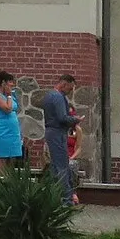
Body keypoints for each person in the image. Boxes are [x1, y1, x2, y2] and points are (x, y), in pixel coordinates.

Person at [41, 73, 81, 205]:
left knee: (54, 166)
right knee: (62, 165)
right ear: (64, 84)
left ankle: (53, 195)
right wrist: (75, 120)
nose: (69, 92)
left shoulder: (49, 96)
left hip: (51, 132)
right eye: (69, 88)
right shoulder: (58, 97)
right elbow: (62, 118)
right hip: (58, 132)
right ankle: (66, 199)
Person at [0, 71, 24, 169]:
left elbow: (15, 107)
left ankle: (10, 180)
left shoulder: (11, 95)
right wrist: (9, 95)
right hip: (3, 130)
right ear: (3, 83)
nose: (12, 85)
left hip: (13, 130)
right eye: (10, 82)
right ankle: (0, 181)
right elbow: (8, 109)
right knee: (3, 158)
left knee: (12, 158)